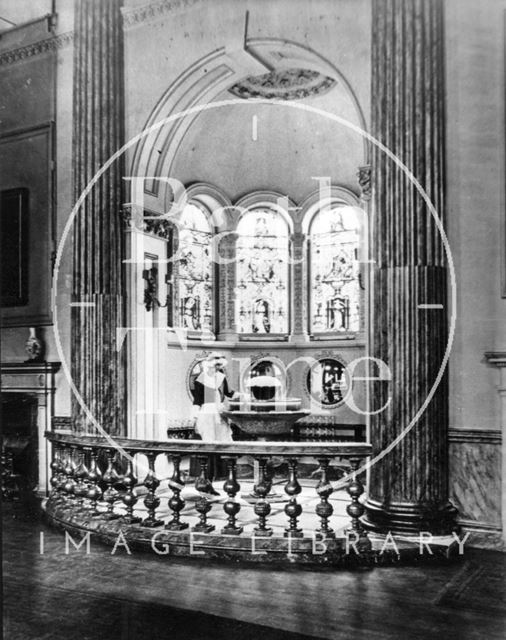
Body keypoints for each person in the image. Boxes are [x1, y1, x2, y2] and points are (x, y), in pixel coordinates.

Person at [191, 352, 235, 494]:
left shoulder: (221, 377)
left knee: (222, 448)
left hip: (219, 414)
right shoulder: (201, 379)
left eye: (218, 366)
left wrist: (246, 396)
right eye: (213, 365)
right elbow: (198, 400)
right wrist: (195, 417)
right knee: (208, 449)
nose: (215, 368)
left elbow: (229, 393)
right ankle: (205, 483)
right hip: (207, 414)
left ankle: (221, 483)